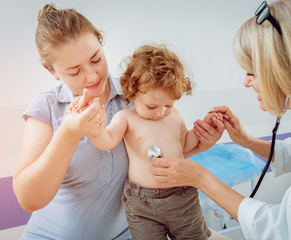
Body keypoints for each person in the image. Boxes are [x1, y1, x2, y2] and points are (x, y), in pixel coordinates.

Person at [12, 4, 223, 240]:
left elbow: (158, 154)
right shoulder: (47, 107)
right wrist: (70, 133)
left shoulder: (138, 94)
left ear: (102, 45)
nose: (92, 76)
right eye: (74, 71)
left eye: (96, 59)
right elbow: (28, 199)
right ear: (51, 70)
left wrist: (198, 144)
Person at [149, 0, 291, 239]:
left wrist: (200, 177)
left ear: (288, 69)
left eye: (252, 72)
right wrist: (245, 140)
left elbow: (283, 229)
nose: (245, 82)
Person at [69, 44, 224, 239]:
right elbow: (107, 141)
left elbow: (184, 144)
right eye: (152, 106)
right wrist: (95, 129)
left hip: (181, 196)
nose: (160, 113)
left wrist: (203, 131)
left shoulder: (175, 116)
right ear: (133, 93)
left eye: (168, 104)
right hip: (142, 203)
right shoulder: (126, 118)